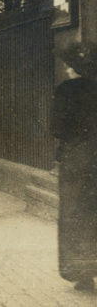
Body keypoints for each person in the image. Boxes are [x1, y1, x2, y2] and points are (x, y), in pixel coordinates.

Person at [51, 43, 97, 292]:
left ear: (74, 67)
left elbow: (56, 128)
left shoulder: (65, 90)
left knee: (73, 213)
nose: (67, 69)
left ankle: (81, 273)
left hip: (75, 161)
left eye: (69, 65)